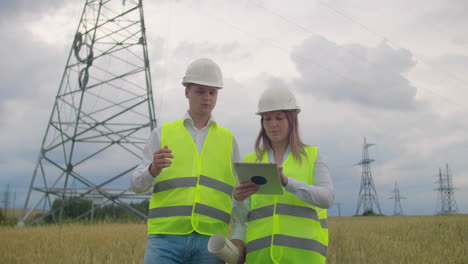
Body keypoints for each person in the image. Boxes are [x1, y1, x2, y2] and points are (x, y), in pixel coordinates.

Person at [131, 58, 240, 264]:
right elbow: (136, 185)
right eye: (200, 91)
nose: (207, 98)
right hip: (164, 240)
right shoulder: (162, 134)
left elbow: (239, 194)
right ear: (187, 92)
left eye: (212, 92)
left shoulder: (229, 140)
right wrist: (152, 169)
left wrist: (239, 237)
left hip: (211, 243)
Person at [230, 86, 335, 263]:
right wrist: (237, 198)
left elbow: (327, 198)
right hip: (259, 258)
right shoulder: (251, 161)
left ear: (292, 120)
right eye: (267, 118)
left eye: (280, 117)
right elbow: (241, 218)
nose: (273, 124)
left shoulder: (313, 157)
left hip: (303, 258)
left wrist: (287, 183)